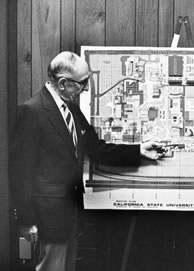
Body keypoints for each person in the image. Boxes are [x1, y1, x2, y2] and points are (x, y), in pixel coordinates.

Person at [9, 51, 166, 271]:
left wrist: (139, 150)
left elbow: (97, 148)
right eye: (82, 83)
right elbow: (20, 172)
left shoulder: (71, 109)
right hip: (47, 218)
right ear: (63, 83)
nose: (86, 88)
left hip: (70, 213)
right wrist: (25, 221)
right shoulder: (31, 112)